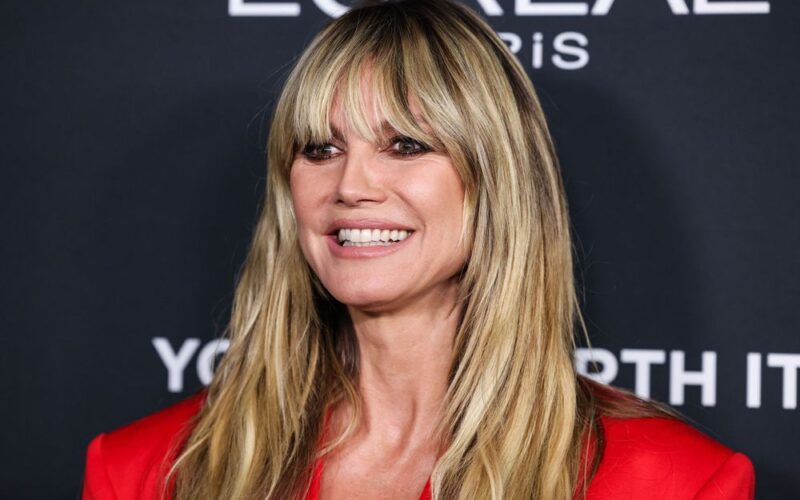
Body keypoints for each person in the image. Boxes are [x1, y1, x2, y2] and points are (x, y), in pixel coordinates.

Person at [81, 0, 756, 499]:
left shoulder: (675, 481)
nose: (351, 185)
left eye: (405, 145)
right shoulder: (141, 470)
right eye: (320, 148)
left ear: (494, 182)